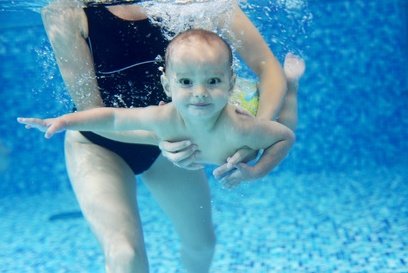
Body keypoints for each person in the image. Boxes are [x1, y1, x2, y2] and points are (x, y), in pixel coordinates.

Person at [35, 0, 300, 272]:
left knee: (202, 245)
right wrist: (163, 138)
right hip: (100, 145)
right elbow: (97, 116)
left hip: (176, 140)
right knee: (124, 254)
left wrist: (253, 135)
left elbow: (268, 68)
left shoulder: (198, 3)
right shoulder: (66, 11)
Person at [18, 28, 299, 182]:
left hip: (244, 103)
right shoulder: (164, 117)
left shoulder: (241, 127)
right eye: (186, 82)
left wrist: (257, 171)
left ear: (228, 83)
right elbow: (114, 119)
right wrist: (65, 120)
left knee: (285, 117)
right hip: (224, 103)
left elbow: (285, 137)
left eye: (212, 81)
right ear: (167, 86)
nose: (199, 93)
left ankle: (293, 84)